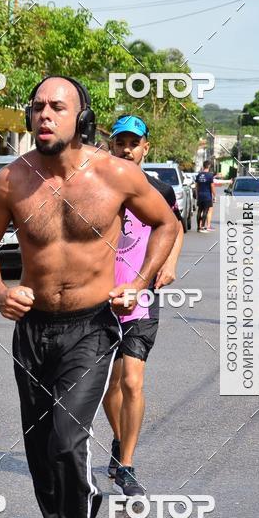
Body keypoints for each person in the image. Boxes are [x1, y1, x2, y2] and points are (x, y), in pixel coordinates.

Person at [0, 77, 177, 518]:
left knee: (67, 441)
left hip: (92, 327)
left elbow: (166, 222)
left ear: (80, 116)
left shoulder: (116, 175)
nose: (44, 115)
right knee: (41, 456)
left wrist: (143, 282)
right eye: (36, 106)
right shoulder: (12, 180)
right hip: (33, 329)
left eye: (57, 107)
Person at [102, 115, 184, 497]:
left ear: (145, 147)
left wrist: (169, 263)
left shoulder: (159, 190)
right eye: (120, 141)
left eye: (134, 142)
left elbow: (176, 227)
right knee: (108, 386)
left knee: (132, 380)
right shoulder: (95, 184)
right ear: (111, 144)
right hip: (98, 299)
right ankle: (120, 442)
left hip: (141, 296)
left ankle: (129, 465)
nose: (127, 149)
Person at [195, 161, 216, 231]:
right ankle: (203, 226)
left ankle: (198, 226)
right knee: (205, 211)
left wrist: (197, 195)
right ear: (209, 166)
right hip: (207, 196)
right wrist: (214, 195)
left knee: (199, 210)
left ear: (203, 166)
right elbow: (212, 186)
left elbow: (197, 186)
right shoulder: (210, 175)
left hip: (200, 195)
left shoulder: (199, 175)